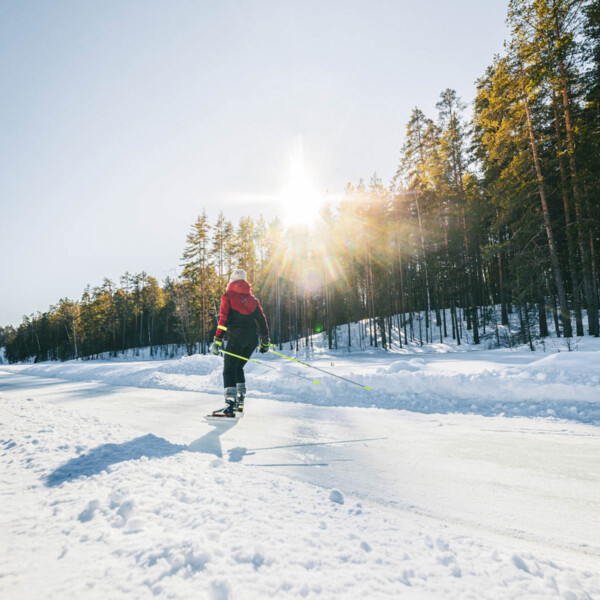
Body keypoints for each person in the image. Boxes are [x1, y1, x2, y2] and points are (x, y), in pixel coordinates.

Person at [210, 268, 269, 417]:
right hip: (251, 340)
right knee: (238, 368)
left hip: (236, 338)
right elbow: (262, 319)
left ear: (231, 281)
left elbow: (223, 319)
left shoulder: (228, 296)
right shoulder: (253, 300)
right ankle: (240, 402)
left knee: (229, 369)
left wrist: (217, 340)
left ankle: (230, 406)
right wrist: (265, 340)